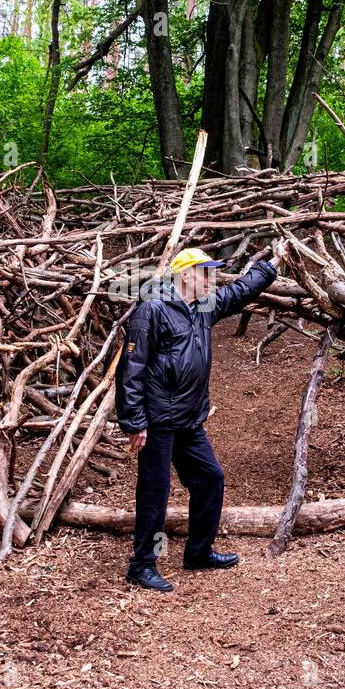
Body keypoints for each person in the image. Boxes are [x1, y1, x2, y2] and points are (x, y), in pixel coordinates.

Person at [114, 240, 288, 591]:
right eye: (206, 273)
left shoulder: (203, 306)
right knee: (155, 491)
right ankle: (142, 564)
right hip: (158, 419)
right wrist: (134, 421)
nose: (213, 280)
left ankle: (198, 552)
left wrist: (271, 265)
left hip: (189, 418)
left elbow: (240, 292)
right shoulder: (153, 309)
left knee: (210, 478)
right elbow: (131, 368)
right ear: (187, 275)